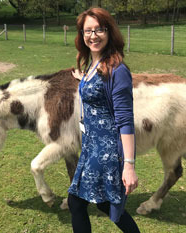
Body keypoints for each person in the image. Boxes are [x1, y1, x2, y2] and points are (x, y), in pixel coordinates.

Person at [67, 7, 140, 233]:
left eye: (99, 29)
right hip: (91, 147)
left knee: (80, 202)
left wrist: (129, 165)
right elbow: (96, 91)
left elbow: (125, 120)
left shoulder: (117, 70)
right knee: (100, 203)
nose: (93, 35)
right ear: (81, 35)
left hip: (106, 150)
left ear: (109, 32)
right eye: (88, 30)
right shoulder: (93, 65)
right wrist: (83, 79)